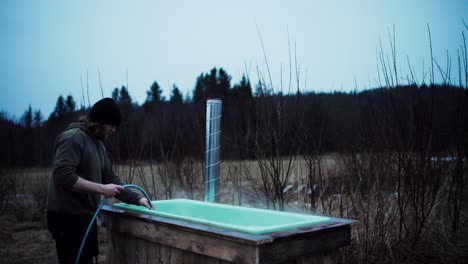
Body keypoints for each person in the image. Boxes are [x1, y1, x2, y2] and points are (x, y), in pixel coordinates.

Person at [46, 97, 151, 264]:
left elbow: (110, 177)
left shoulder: (98, 145)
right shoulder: (73, 138)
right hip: (66, 217)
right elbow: (63, 176)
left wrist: (137, 198)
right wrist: (101, 189)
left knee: (86, 258)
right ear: (101, 121)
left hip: (84, 216)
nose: (114, 131)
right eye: (112, 125)